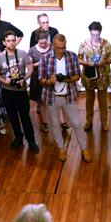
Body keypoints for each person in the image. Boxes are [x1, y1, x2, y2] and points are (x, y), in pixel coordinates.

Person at [38, 34, 91, 162]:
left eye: (63, 47)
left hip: (69, 96)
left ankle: (84, 148)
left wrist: (66, 78)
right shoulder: (45, 58)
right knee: (55, 124)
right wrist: (49, 81)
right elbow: (40, 79)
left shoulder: (72, 56)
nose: (61, 50)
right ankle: (61, 148)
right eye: (58, 48)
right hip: (52, 97)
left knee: (77, 124)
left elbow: (78, 76)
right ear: (52, 46)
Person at [0, 31, 39, 153]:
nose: (11, 43)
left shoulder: (23, 54)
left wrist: (24, 78)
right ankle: (18, 137)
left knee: (25, 117)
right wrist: (4, 80)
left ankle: (31, 140)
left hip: (21, 91)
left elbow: (30, 68)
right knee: (12, 117)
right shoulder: (0, 58)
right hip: (7, 92)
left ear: (16, 41)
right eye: (8, 41)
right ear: (4, 42)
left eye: (13, 40)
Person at [78, 21, 111, 132]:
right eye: (93, 34)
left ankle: (104, 122)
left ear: (100, 33)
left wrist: (104, 61)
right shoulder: (84, 43)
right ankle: (88, 121)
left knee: (103, 100)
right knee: (89, 100)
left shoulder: (106, 43)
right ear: (90, 32)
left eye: (97, 35)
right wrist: (86, 63)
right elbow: (78, 58)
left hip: (103, 76)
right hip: (89, 75)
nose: (95, 37)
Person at [28, 31, 52, 133]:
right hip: (38, 78)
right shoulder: (32, 50)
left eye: (45, 42)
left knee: (55, 101)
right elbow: (29, 65)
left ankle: (60, 123)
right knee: (41, 102)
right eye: (41, 43)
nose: (43, 44)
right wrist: (40, 62)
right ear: (37, 41)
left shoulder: (51, 47)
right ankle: (45, 123)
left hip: (51, 77)